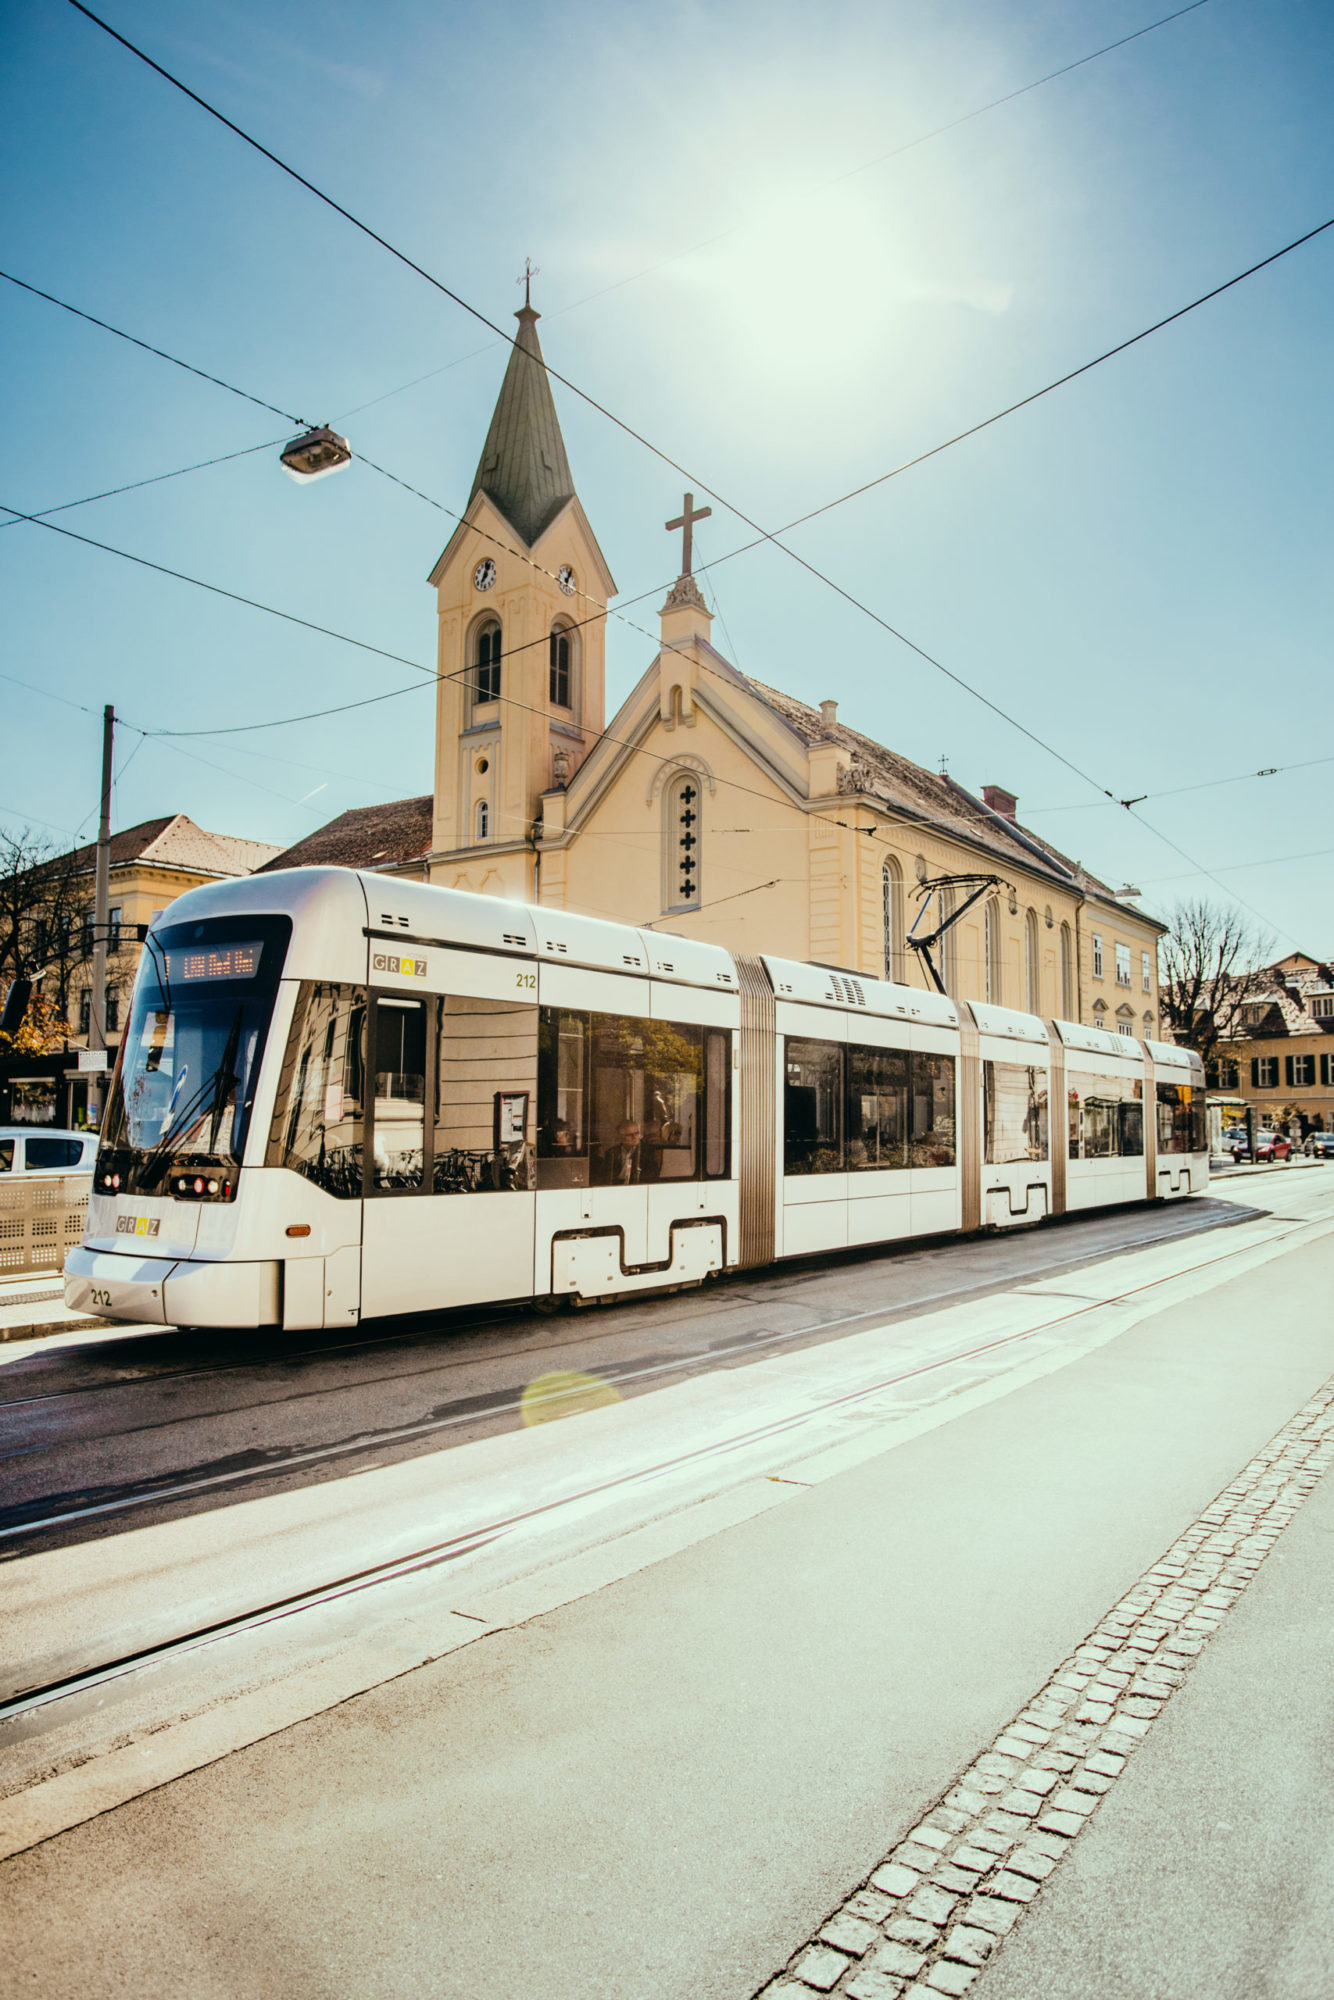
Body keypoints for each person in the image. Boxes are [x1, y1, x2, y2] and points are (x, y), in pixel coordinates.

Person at [593, 1119, 642, 1186]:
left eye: (636, 1133)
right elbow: (604, 1177)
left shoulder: (646, 1152)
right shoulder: (611, 1153)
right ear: (621, 1137)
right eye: (630, 1135)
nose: (635, 1137)